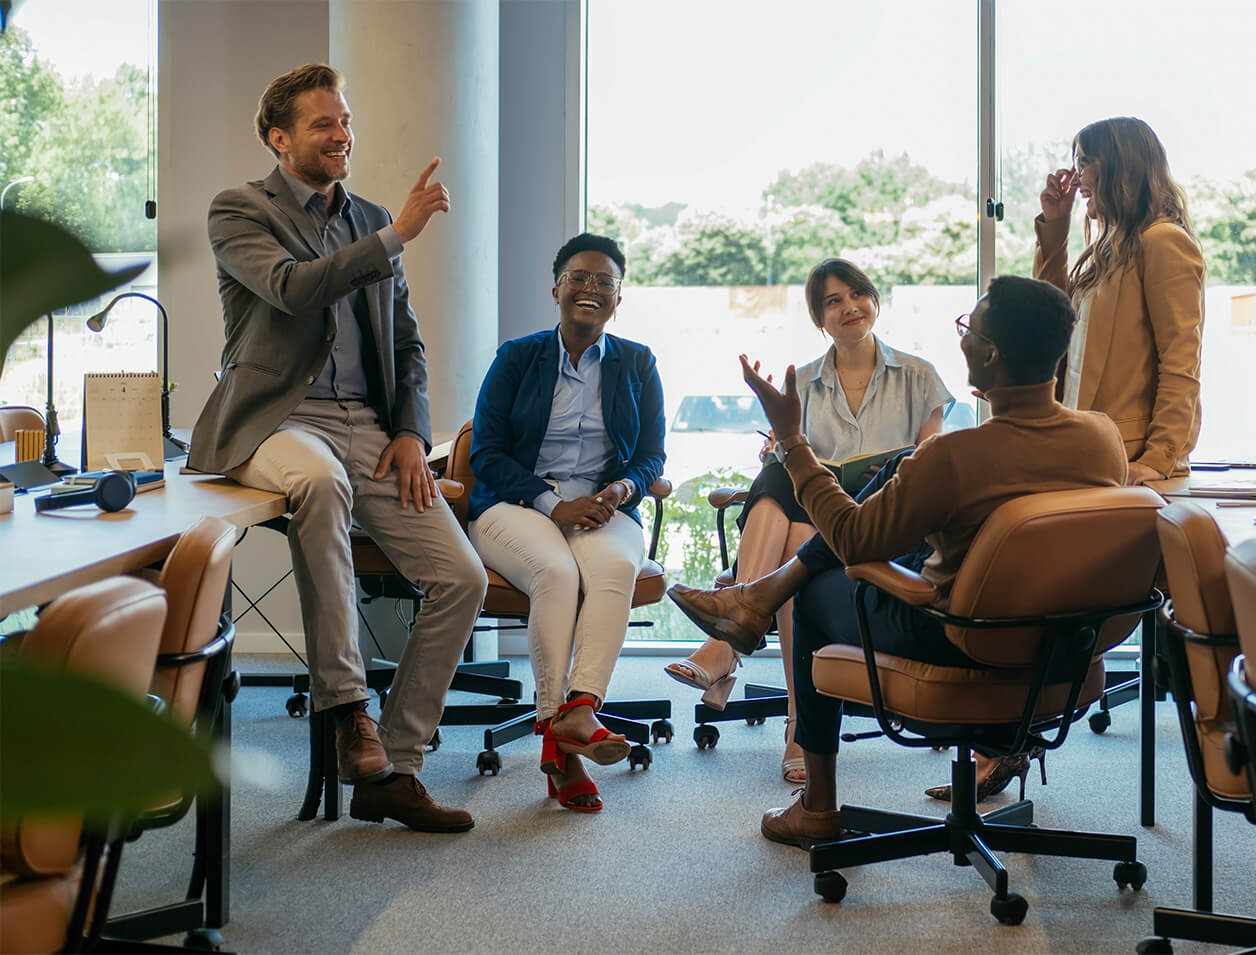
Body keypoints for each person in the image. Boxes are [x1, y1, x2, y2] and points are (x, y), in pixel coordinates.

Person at [666, 275, 1129, 847]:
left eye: (970, 329)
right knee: (899, 468)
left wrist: (791, 441)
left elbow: (855, 538)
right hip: (1065, 649)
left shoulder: (957, 456)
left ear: (989, 353)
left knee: (816, 591)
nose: (961, 340)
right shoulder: (1103, 437)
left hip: (961, 638)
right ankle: (758, 597)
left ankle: (817, 803)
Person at [189, 64, 486, 833]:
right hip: (277, 421)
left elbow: (408, 343)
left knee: (462, 575)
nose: (342, 135)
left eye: (345, 121)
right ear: (280, 139)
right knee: (318, 483)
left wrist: (415, 433)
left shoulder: (371, 217)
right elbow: (293, 288)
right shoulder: (237, 211)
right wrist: (398, 236)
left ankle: (397, 763)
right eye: (324, 124)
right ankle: (349, 706)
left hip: (371, 428)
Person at [665, 258, 951, 784]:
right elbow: (792, 463)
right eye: (833, 302)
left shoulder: (919, 374)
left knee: (799, 521)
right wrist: (780, 445)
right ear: (819, 318)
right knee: (781, 486)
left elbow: (927, 469)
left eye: (857, 295)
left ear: (874, 299)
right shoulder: (803, 381)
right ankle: (794, 718)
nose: (849, 308)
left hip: (880, 516)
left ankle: (733, 640)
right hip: (818, 519)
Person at [466, 233, 665, 813]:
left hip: (605, 506)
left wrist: (621, 489)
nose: (591, 289)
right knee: (556, 574)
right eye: (579, 277)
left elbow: (651, 455)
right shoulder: (518, 357)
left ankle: (579, 710)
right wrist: (554, 505)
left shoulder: (637, 361)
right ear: (556, 288)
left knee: (615, 568)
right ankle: (565, 739)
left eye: (606, 282)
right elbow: (488, 454)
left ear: (618, 298)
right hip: (517, 503)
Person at [1034, 115, 1205, 487]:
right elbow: (1049, 320)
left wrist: (1159, 459)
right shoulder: (1111, 250)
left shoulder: (1162, 242)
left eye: (1084, 163)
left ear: (1119, 166)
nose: (1075, 178)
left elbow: (1181, 364)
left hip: (1129, 460)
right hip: (1085, 449)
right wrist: (1055, 226)